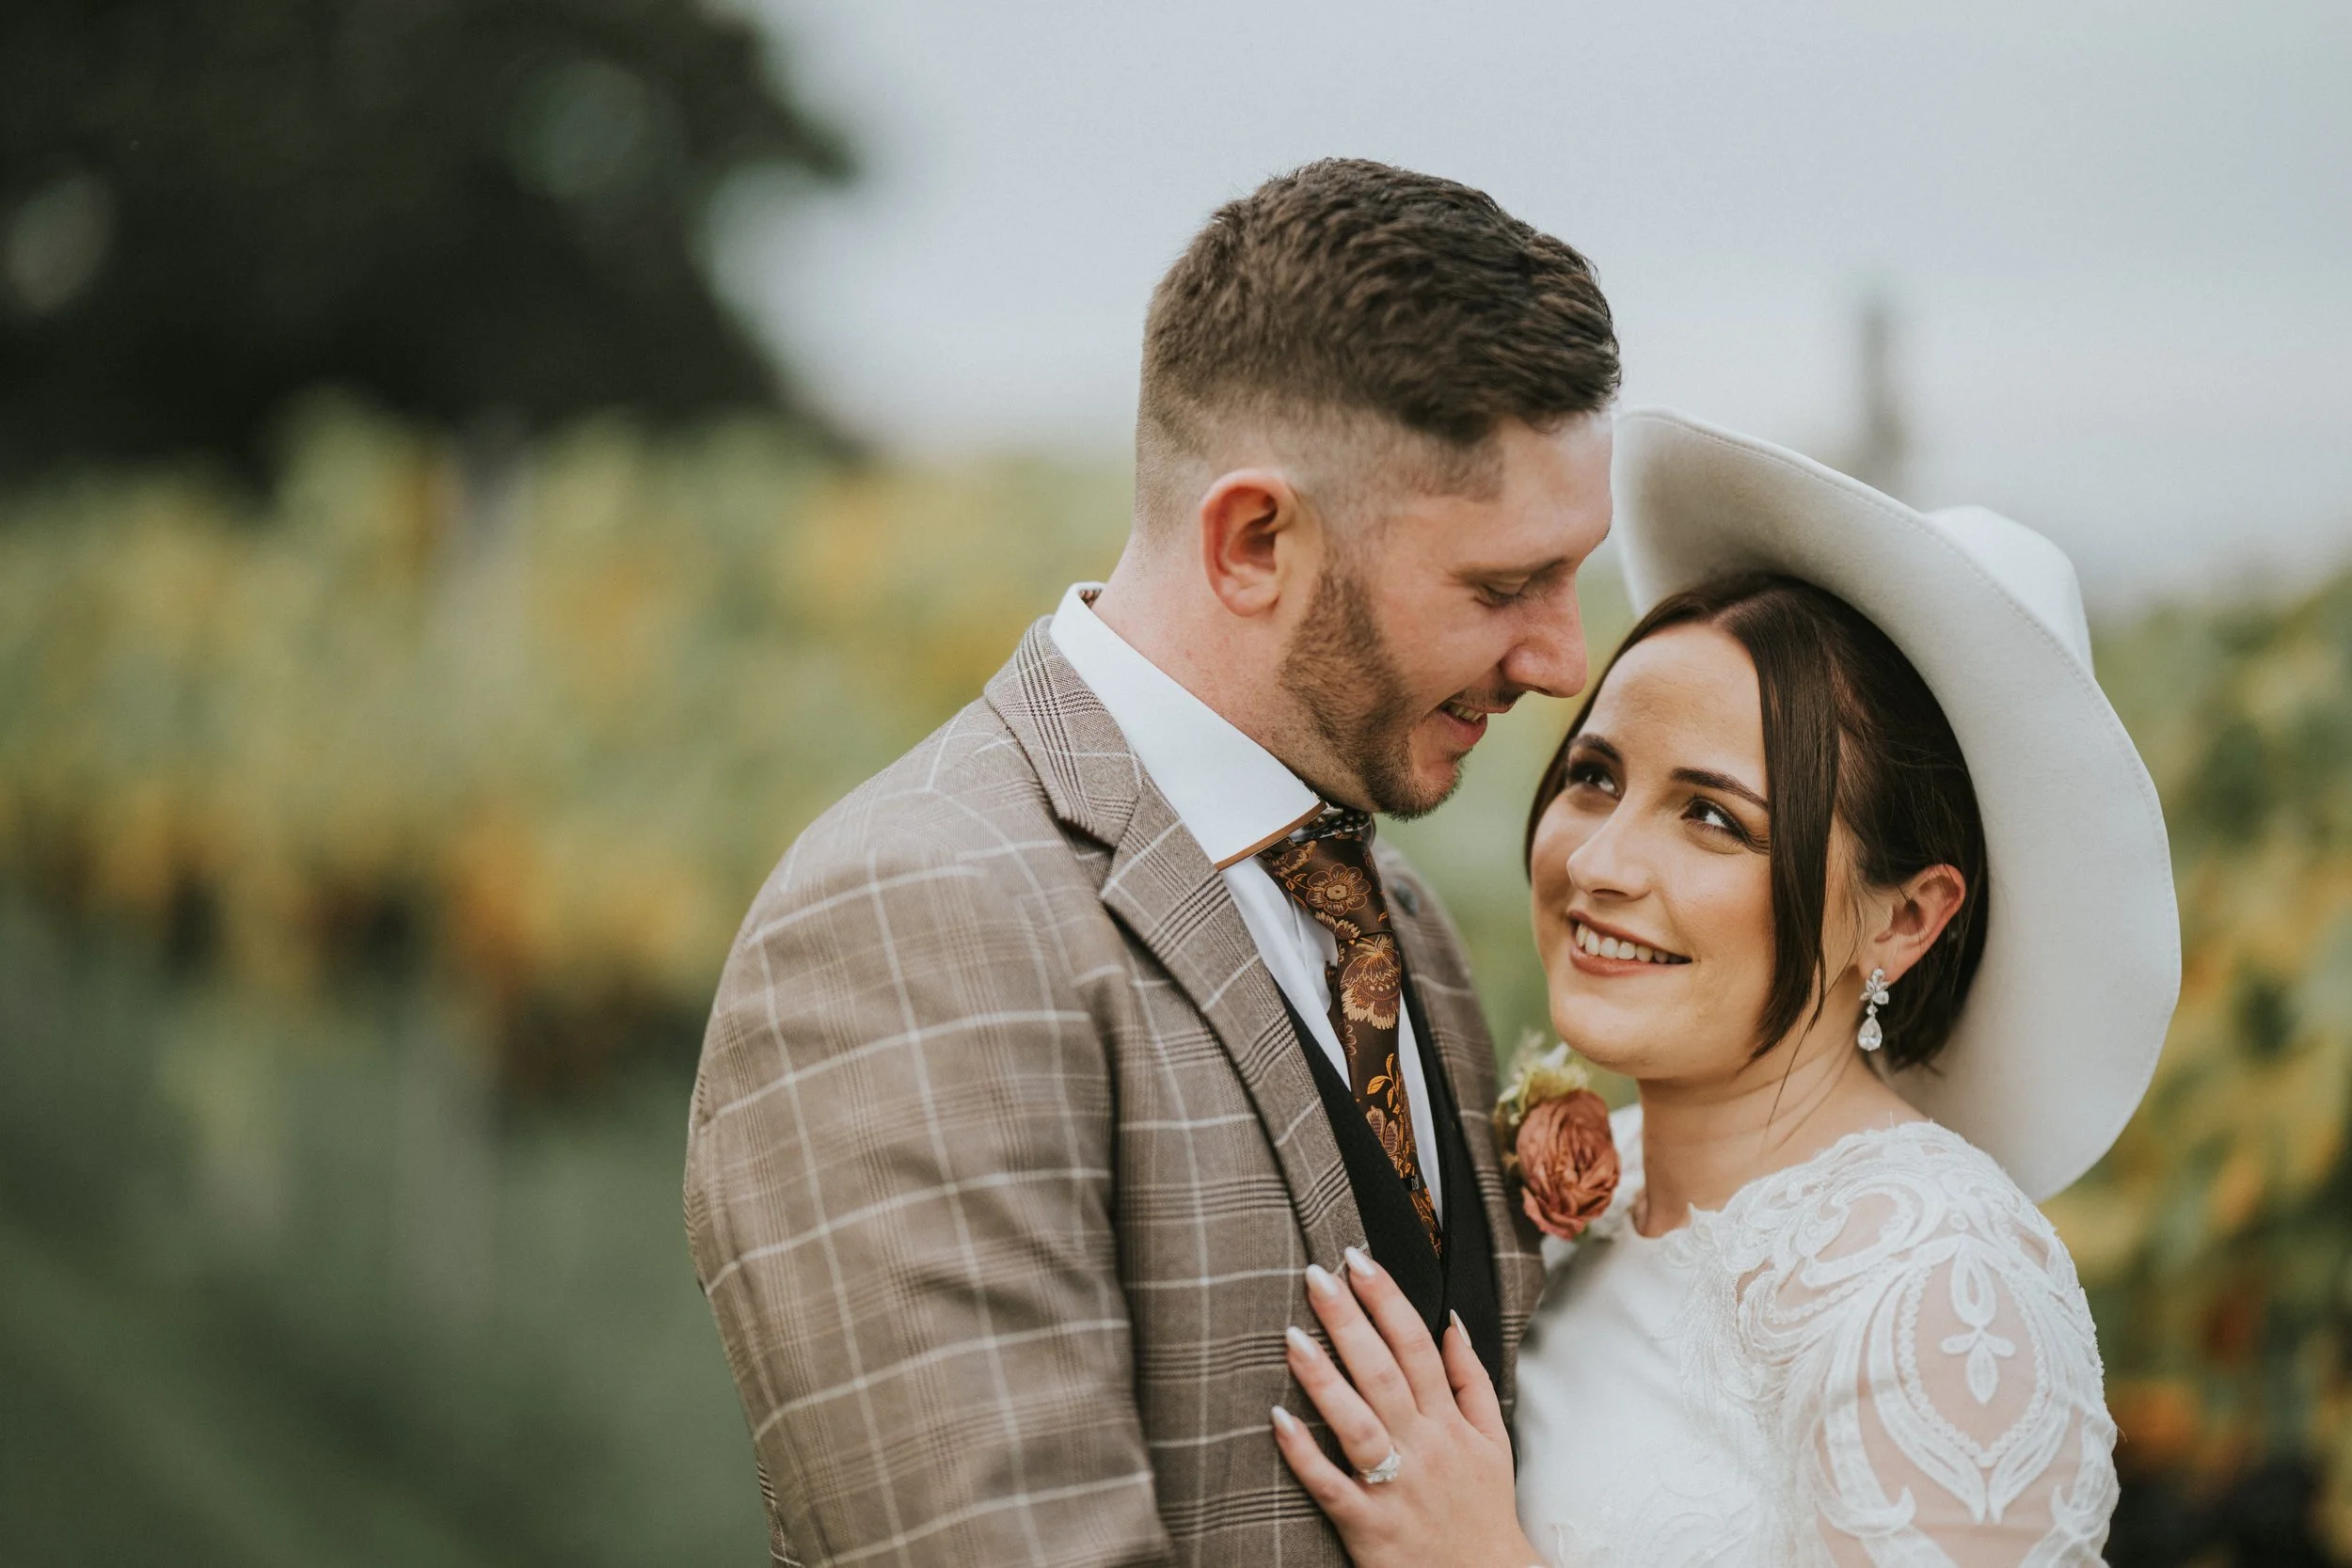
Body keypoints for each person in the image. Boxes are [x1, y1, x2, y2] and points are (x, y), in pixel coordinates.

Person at [681, 158, 1616, 1566]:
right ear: (1253, 542)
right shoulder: (910, 917)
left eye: (1572, 574)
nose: (1563, 658)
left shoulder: (1397, 916)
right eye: (1500, 587)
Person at [1267, 409, 2181, 1567]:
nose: (1598, 863)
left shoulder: (1940, 1289)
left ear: (1904, 917)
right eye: (1595, 776)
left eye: (1712, 817)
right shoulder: (1594, 1196)